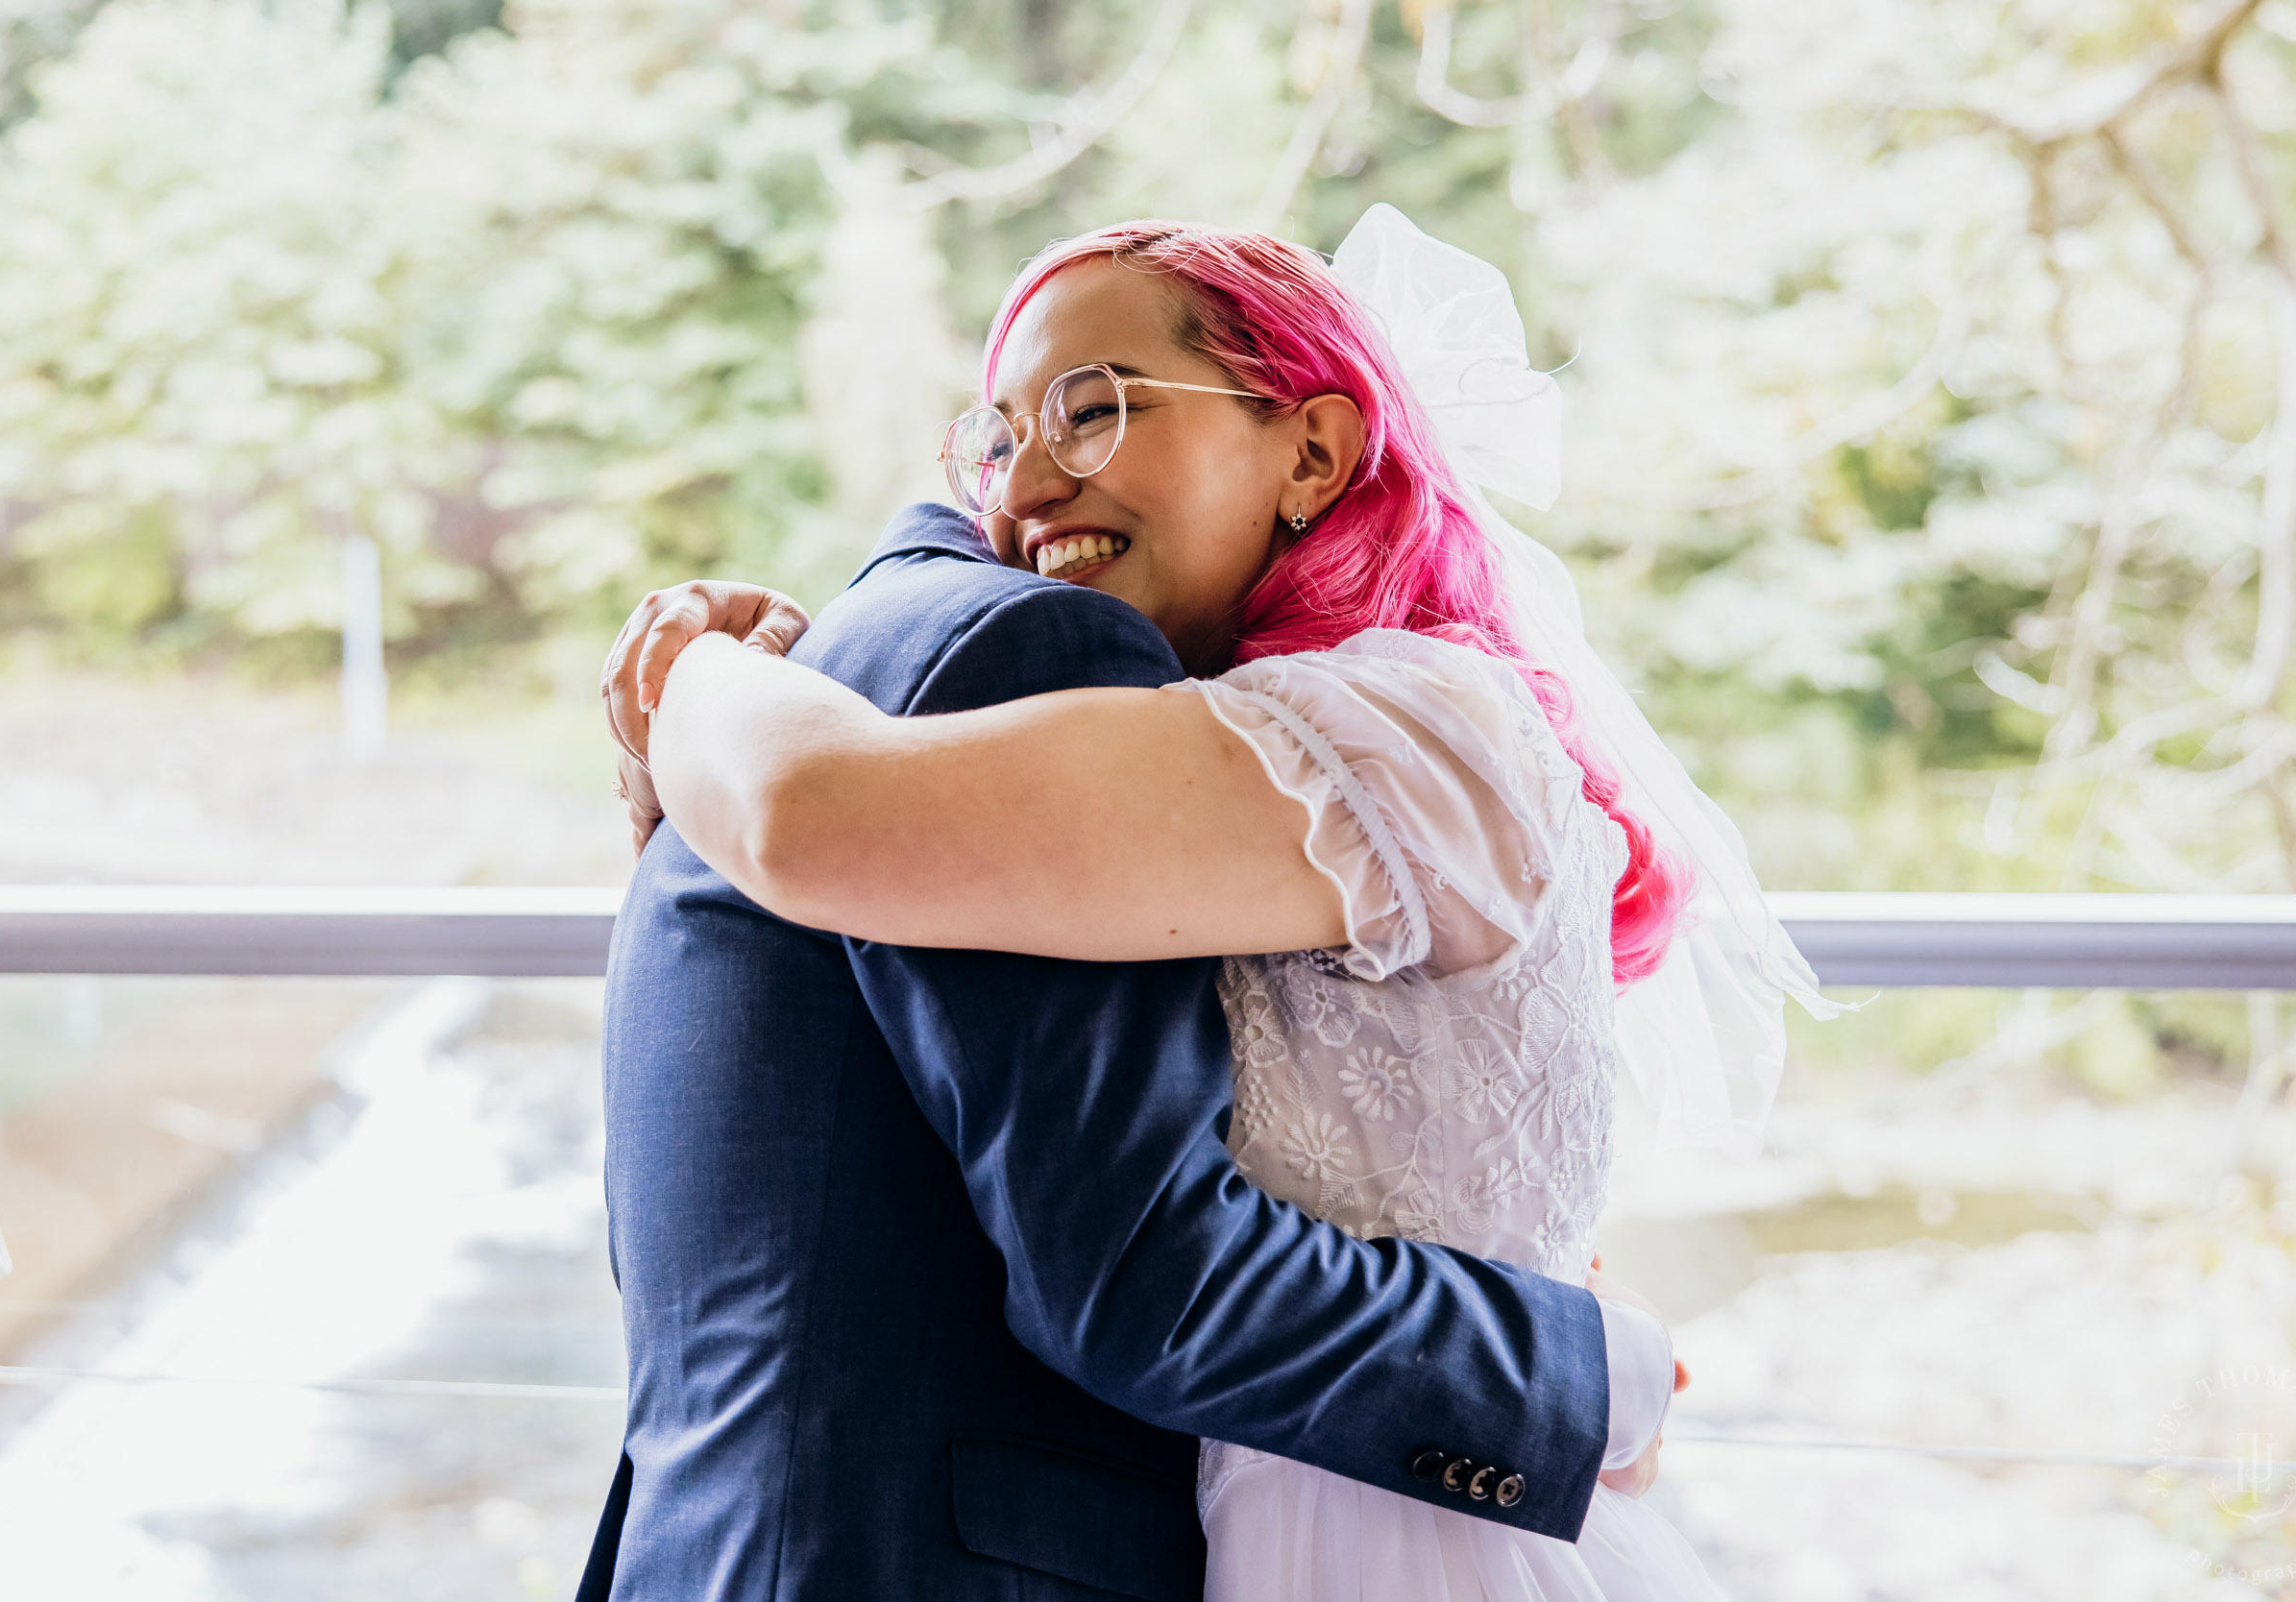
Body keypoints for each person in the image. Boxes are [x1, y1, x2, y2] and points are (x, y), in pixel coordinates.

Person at [603, 207, 1829, 1599]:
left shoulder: (1402, 730)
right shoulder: (1159, 738)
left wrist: (690, 667)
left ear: (1312, 448)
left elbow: (805, 813)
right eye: (1000, 438)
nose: (1025, 489)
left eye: (1095, 408)